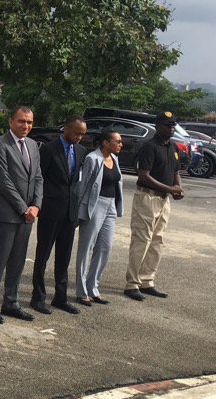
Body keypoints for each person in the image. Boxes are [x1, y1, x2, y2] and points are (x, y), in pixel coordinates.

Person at [0, 106, 43, 324]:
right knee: (0, 260)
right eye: (21, 121)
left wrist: (36, 206)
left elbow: (38, 177)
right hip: (7, 213)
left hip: (28, 215)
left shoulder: (33, 145)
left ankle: (11, 302)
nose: (25, 125)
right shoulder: (0, 144)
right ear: (10, 121)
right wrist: (23, 208)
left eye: (29, 122)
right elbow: (4, 181)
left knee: (18, 260)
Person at [30, 115, 88, 315]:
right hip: (50, 210)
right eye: (77, 133)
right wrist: (37, 204)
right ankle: (38, 297)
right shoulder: (48, 149)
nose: (79, 137)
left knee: (64, 257)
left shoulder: (81, 151)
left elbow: (76, 181)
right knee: (43, 255)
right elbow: (40, 179)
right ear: (67, 129)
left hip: (70, 212)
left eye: (82, 135)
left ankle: (60, 298)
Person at [124, 111, 183, 301]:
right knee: (142, 240)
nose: (171, 128)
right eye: (167, 125)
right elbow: (144, 176)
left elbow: (176, 171)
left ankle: (147, 280)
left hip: (164, 200)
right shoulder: (149, 147)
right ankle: (132, 284)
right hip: (147, 198)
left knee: (158, 241)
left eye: (173, 124)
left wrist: (178, 188)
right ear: (158, 126)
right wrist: (170, 188)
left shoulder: (173, 147)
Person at [75, 129, 124, 305]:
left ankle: (93, 287)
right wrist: (78, 212)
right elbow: (83, 186)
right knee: (86, 248)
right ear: (105, 143)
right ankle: (81, 291)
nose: (121, 144)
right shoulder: (92, 159)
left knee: (105, 247)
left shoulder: (115, 159)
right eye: (117, 141)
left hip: (111, 205)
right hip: (94, 205)